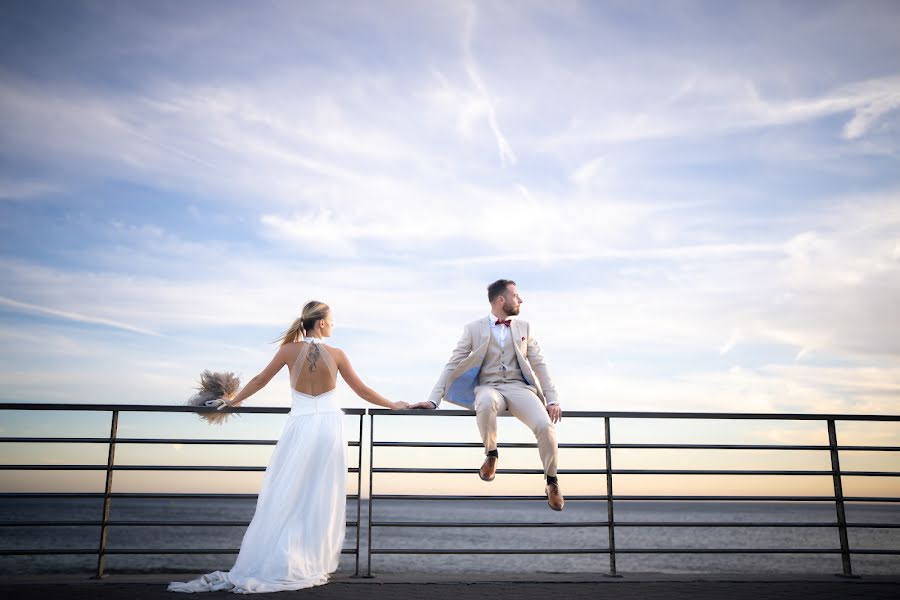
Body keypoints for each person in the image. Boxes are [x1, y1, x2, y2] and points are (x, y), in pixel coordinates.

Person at [168, 301, 407, 594]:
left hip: (300, 425)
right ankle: (305, 559)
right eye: (331, 321)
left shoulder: (287, 351)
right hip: (330, 428)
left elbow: (259, 380)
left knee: (287, 492)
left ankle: (282, 557)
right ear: (320, 323)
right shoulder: (337, 353)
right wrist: (394, 404)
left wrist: (233, 401)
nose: (333, 325)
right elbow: (362, 390)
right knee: (320, 494)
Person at [408, 280, 564, 511]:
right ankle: (491, 454)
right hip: (488, 386)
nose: (520, 300)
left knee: (545, 425)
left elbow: (539, 364)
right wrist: (433, 399)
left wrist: (552, 399)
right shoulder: (473, 328)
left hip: (519, 388)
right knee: (485, 401)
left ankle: (552, 481)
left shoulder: (525, 327)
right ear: (501, 300)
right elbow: (453, 364)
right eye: (516, 296)